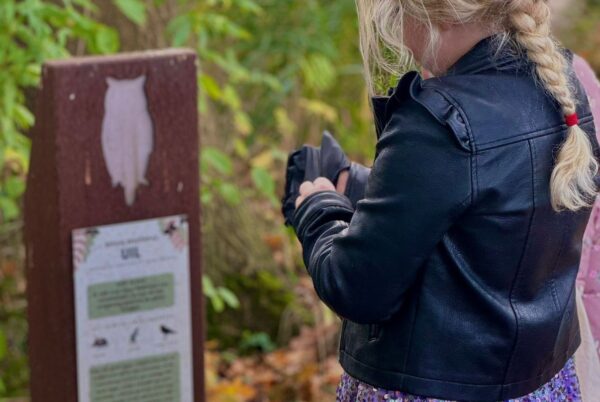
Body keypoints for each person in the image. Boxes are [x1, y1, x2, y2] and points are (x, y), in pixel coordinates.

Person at [281, 1, 600, 401]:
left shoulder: (438, 121)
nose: (398, 33)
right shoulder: (561, 86)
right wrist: (364, 185)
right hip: (540, 385)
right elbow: (489, 217)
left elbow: (355, 287)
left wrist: (317, 207)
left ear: (439, 15)